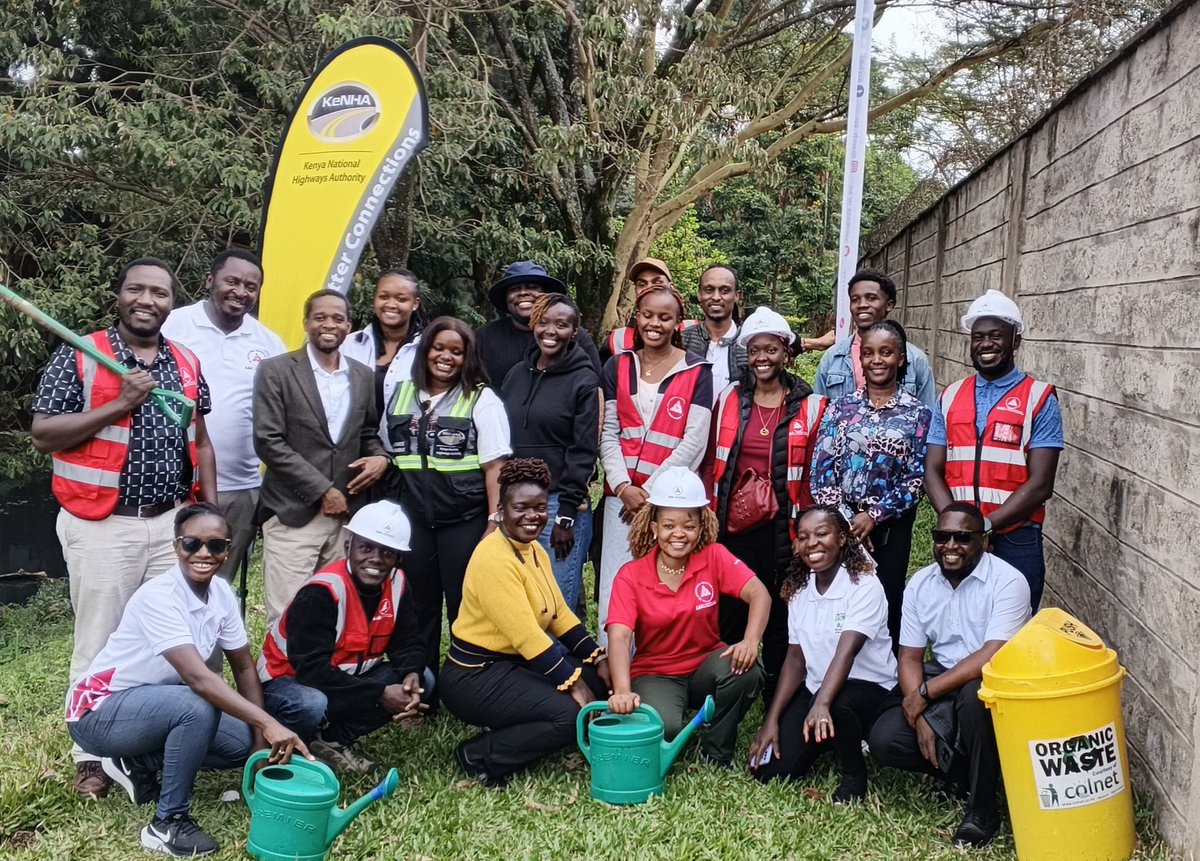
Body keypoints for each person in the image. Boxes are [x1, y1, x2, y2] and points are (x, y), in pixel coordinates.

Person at [32, 256, 217, 798]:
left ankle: (155, 743)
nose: (148, 300)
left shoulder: (184, 361)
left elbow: (201, 439)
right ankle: (90, 754)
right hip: (102, 526)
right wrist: (120, 404)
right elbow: (44, 434)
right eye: (136, 289)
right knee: (100, 640)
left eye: (160, 293)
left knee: (174, 640)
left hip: (170, 525)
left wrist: (211, 508)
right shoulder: (81, 355)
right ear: (119, 296)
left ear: (171, 302)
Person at [65, 503, 309, 858]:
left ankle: (136, 762)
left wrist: (258, 742)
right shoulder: (159, 597)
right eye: (193, 543)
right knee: (196, 706)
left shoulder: (222, 594)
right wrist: (269, 723)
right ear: (176, 546)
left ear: (229, 549)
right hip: (96, 712)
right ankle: (167, 822)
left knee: (240, 743)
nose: (204, 553)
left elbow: (243, 667)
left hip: (150, 705)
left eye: (216, 545)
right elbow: (197, 678)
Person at [869, 502, 1031, 848]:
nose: (950, 546)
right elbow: (910, 657)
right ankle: (962, 775)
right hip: (941, 675)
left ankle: (982, 810)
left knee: (975, 697)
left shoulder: (1009, 582)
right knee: (885, 739)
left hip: (996, 681)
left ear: (984, 542)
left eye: (963, 537)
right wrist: (921, 715)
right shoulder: (921, 584)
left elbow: (991, 656)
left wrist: (923, 697)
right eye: (942, 536)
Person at [441, 459, 609, 787]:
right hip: (474, 676)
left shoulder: (533, 550)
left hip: (511, 666)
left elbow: (560, 615)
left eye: (540, 507)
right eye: (521, 507)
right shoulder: (492, 557)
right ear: (501, 509)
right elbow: (528, 638)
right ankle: (480, 755)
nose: (532, 516)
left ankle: (516, 723)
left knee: (600, 683)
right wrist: (576, 685)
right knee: (573, 714)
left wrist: (597, 658)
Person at [605, 467, 769, 767]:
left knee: (747, 669)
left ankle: (716, 750)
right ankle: (678, 715)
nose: (678, 534)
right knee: (664, 729)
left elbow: (760, 594)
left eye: (688, 526)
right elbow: (619, 636)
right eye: (668, 525)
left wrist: (750, 641)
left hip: (705, 663)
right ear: (654, 527)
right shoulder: (631, 576)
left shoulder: (714, 556)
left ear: (701, 526)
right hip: (656, 671)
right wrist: (623, 690)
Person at [259, 500, 430, 773]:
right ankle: (296, 744)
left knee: (423, 681)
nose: (375, 558)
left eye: (387, 552)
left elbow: (407, 640)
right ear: (348, 547)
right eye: (366, 547)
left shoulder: (398, 583)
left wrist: (412, 672)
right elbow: (312, 669)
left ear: (398, 558)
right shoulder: (322, 592)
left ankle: (332, 740)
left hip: (341, 680)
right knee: (311, 706)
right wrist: (380, 693)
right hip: (289, 683)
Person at [253, 289, 390, 625]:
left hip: (347, 516)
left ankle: (323, 678)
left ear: (349, 325)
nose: (328, 325)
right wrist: (322, 491)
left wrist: (381, 458)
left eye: (337, 318)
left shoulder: (363, 375)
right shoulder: (276, 371)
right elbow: (268, 440)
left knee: (334, 613)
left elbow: (367, 431)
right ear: (306, 323)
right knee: (287, 616)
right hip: (293, 512)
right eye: (320, 317)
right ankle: (282, 679)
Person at [710, 307, 826, 703]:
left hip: (784, 528)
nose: (762, 358)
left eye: (771, 349)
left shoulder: (811, 405)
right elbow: (713, 460)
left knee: (781, 608)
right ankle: (728, 689)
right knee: (731, 607)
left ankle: (775, 691)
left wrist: (806, 531)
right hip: (732, 526)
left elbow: (813, 473)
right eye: (755, 350)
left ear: (787, 352)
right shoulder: (729, 397)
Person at [385, 316, 511, 680]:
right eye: (439, 348)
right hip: (414, 522)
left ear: (467, 357)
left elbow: (496, 467)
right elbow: (387, 450)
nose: (446, 357)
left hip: (465, 520)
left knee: (466, 606)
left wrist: (493, 521)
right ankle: (420, 691)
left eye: (456, 351)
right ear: (425, 351)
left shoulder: (481, 398)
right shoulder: (402, 393)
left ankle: (468, 684)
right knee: (417, 608)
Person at [924, 289, 1062, 610]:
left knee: (1013, 635)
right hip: (958, 540)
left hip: (1016, 538)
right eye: (978, 337)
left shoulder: (1039, 399)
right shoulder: (949, 397)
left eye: (996, 336)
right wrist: (957, 527)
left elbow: (1041, 483)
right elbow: (931, 470)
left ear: (1015, 341)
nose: (986, 344)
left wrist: (986, 525)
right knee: (957, 624)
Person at [748, 506, 896, 803]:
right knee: (768, 770)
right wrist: (771, 720)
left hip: (870, 691)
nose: (811, 543)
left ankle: (854, 777)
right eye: (803, 537)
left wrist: (822, 704)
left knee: (835, 701)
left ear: (842, 538)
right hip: (817, 689)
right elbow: (795, 659)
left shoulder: (864, 586)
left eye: (822, 533)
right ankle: (830, 737)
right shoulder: (800, 589)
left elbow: (847, 652)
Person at [597, 279, 713, 644]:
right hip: (622, 499)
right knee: (617, 581)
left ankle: (657, 666)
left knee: (663, 583)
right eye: (648, 315)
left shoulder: (697, 371)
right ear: (636, 318)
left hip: (669, 500)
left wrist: (649, 493)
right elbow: (608, 430)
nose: (655, 324)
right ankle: (612, 665)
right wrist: (622, 486)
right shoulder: (617, 365)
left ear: (677, 324)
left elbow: (694, 441)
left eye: (665, 317)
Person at [161, 248, 286, 583]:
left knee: (216, 587)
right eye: (232, 281)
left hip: (243, 489)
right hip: (177, 485)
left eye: (251, 286)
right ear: (209, 280)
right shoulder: (173, 326)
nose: (241, 291)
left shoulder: (269, 343)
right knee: (167, 585)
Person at [810, 319, 933, 648]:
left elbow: (917, 476)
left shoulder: (919, 414)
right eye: (868, 353)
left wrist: (874, 516)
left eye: (886, 352)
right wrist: (848, 521)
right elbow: (821, 470)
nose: (877, 360)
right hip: (841, 529)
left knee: (885, 603)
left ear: (901, 358)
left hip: (891, 530)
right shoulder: (840, 408)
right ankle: (834, 678)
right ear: (860, 359)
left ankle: (883, 684)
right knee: (841, 604)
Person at [499, 293, 599, 612]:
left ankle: (566, 662)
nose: (550, 331)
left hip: (559, 505)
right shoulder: (516, 375)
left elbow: (584, 451)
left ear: (574, 331)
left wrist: (566, 515)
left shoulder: (584, 381)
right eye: (543, 322)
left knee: (556, 607)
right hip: (517, 503)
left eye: (561, 324)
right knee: (524, 602)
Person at [814, 269, 936, 408]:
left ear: (889, 305)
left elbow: (929, 418)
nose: (862, 305)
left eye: (871, 298)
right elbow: (818, 415)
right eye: (855, 300)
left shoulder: (915, 360)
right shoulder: (833, 357)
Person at [475, 261, 602, 385]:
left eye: (532, 287)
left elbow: (596, 384)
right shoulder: (484, 337)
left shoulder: (574, 336)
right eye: (514, 289)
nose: (523, 292)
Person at [341, 268, 424, 421]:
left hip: (402, 443)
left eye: (401, 299)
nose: (391, 304)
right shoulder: (348, 345)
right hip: (352, 441)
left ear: (415, 304)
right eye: (383, 297)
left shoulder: (427, 350)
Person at [681, 265, 748, 400]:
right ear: (700, 295)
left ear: (736, 296)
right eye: (709, 290)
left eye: (724, 290)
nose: (716, 297)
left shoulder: (748, 344)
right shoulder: (682, 341)